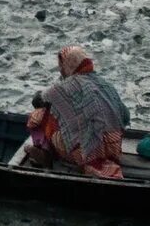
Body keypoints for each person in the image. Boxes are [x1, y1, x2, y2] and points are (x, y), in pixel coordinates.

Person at [23, 45, 130, 178]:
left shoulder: (65, 86)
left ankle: (45, 152)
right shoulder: (106, 84)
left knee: (39, 115)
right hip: (113, 149)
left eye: (61, 66)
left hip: (87, 153)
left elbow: (37, 100)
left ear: (68, 65)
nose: (60, 71)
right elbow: (126, 116)